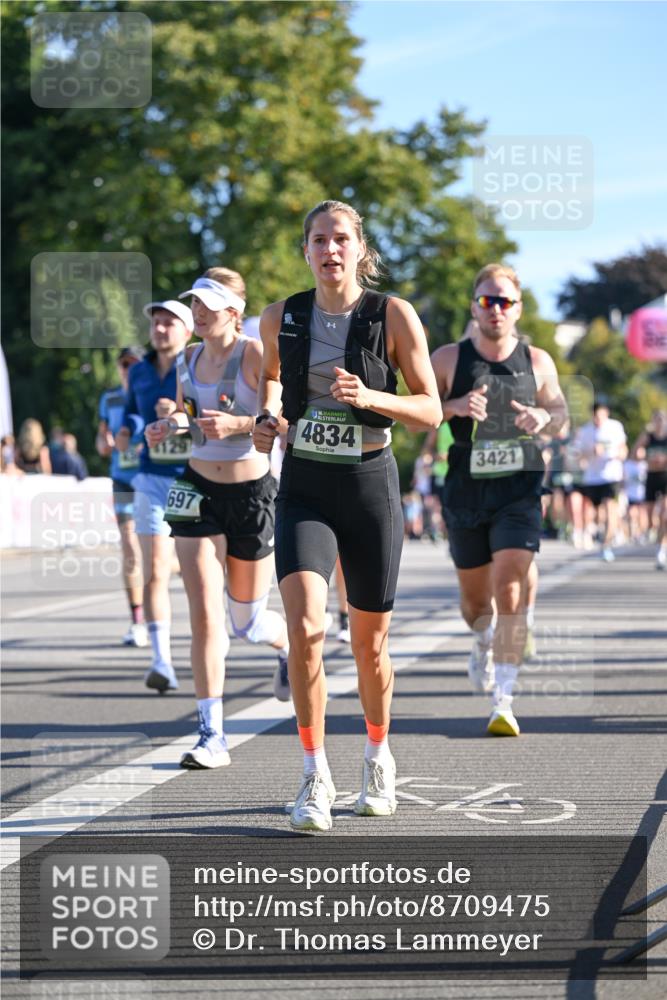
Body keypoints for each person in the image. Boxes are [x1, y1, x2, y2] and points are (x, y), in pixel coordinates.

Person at [253, 199, 441, 831]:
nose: (329, 250)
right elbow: (273, 382)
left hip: (369, 485)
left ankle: (378, 755)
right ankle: (313, 774)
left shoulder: (392, 315)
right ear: (304, 250)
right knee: (305, 629)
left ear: (360, 248)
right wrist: (267, 419)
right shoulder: (280, 316)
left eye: (340, 239)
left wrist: (372, 396)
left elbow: (432, 410)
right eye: (317, 240)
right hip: (305, 484)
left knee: (370, 644)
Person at [144, 268, 290, 767]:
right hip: (196, 489)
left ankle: (285, 644)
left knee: (246, 623)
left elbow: (278, 421)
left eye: (208, 303)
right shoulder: (187, 358)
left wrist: (241, 423)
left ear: (234, 311)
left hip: (250, 493)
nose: (198, 311)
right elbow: (188, 417)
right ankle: (212, 734)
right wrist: (169, 427)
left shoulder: (256, 354)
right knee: (205, 614)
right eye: (196, 303)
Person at [430, 263, 568, 738]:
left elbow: (561, 414)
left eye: (504, 301)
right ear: (474, 306)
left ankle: (503, 699)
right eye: (487, 300)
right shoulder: (449, 358)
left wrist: (541, 418)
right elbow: (415, 414)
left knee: (510, 585)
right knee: (475, 605)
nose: (495, 309)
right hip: (467, 488)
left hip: (520, 487)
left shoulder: (538, 360)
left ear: (518, 308)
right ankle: (483, 640)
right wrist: (452, 407)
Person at [116, 300, 194, 693]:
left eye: (169, 323)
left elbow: (224, 415)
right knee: (155, 570)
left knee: (209, 574)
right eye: (156, 323)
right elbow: (131, 411)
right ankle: (162, 659)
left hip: (196, 477)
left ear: (188, 330)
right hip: (151, 476)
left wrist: (180, 414)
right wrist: (127, 431)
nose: (160, 329)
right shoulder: (141, 370)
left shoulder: (198, 363)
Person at [97, 346, 147, 647]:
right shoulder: (110, 398)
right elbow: (102, 438)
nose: (127, 370)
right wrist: (103, 443)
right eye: (123, 365)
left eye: (133, 364)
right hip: (123, 479)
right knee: (129, 544)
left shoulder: (152, 393)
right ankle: (137, 620)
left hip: (154, 478)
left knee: (161, 549)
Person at [573, 401, 627, 562]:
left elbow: (624, 450)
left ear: (607, 413)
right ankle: (597, 532)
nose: (598, 419)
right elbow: (579, 455)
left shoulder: (615, 427)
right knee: (597, 514)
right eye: (596, 416)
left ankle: (606, 545)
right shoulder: (585, 431)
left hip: (611, 476)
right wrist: (590, 452)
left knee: (610, 508)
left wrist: (614, 454)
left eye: (601, 415)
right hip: (592, 477)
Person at [632, 409, 667, 568]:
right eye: (656, 419)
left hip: (665, 477)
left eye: (661, 419)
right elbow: (634, 454)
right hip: (652, 477)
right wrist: (646, 457)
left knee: (665, 515)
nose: (659, 423)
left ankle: (662, 549)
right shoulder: (648, 436)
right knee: (651, 515)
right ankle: (654, 536)